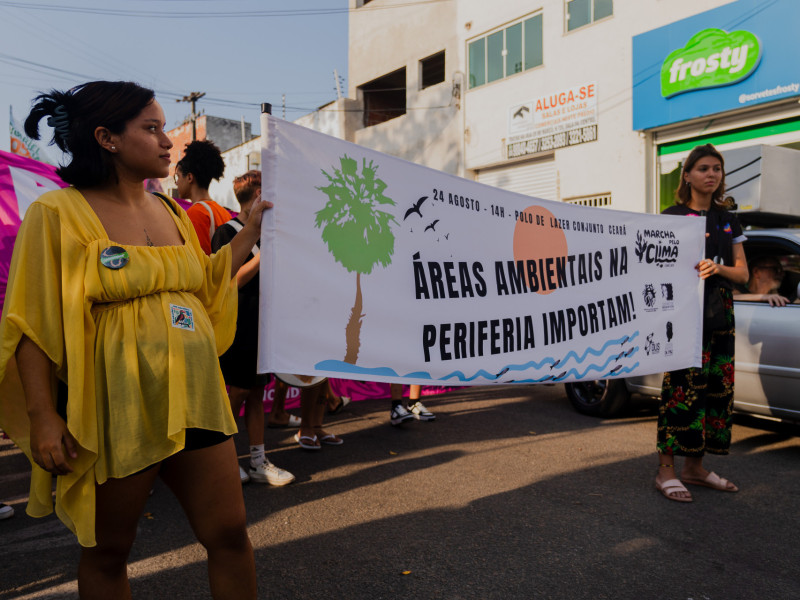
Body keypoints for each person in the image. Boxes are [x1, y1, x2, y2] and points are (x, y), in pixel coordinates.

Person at [0, 81, 270, 599]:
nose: (168, 142)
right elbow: (31, 322)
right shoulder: (56, 213)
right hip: (116, 403)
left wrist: (251, 232)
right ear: (107, 138)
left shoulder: (171, 211)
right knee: (108, 552)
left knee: (230, 533)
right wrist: (43, 415)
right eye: (151, 129)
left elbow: (206, 283)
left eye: (164, 128)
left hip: (196, 394)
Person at [656, 143, 749, 503]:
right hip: (684, 313)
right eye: (703, 168)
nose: (711, 174)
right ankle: (666, 471)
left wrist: (717, 267)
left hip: (720, 313)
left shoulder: (728, 219)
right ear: (687, 175)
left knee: (714, 392)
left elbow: (742, 274)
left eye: (716, 169)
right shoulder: (672, 216)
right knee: (679, 391)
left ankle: (694, 469)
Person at [210, 170, 294, 486]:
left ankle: (258, 460)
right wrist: (263, 256)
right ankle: (223, 459)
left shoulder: (270, 233)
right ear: (257, 194)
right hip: (238, 324)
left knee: (257, 392)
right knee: (240, 391)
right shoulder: (226, 232)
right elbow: (229, 281)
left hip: (264, 323)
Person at [175, 139, 231, 255]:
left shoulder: (195, 214)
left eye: (178, 176)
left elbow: (196, 259)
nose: (176, 182)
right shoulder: (224, 212)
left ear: (189, 177)